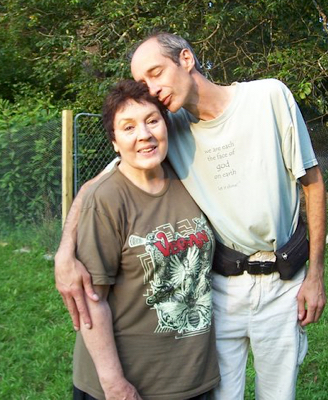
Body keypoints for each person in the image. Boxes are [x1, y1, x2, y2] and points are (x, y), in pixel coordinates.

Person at [55, 32, 327, 400]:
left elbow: (312, 183)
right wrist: (64, 251)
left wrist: (316, 275)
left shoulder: (268, 97)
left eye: (155, 73)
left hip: (283, 282)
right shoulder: (167, 127)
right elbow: (95, 187)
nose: (151, 90)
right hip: (220, 286)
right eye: (142, 83)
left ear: (185, 59)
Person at [70, 79, 219, 400]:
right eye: (128, 127)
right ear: (114, 142)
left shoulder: (192, 182)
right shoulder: (106, 199)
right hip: (128, 385)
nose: (144, 135)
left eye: (152, 121)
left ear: (166, 126)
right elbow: (91, 304)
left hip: (194, 378)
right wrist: (114, 385)